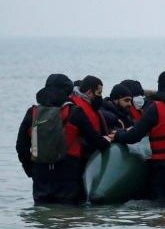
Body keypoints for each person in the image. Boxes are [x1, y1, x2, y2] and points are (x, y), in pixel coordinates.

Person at [16, 74, 111, 204]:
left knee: (42, 215)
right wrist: (108, 140)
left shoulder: (32, 113)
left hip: (41, 172)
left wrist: (31, 171)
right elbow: (95, 141)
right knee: (67, 215)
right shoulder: (74, 112)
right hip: (68, 172)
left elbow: (21, 146)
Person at [113, 71, 165, 200]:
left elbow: (134, 136)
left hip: (161, 167)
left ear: (160, 85)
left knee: (161, 207)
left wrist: (118, 135)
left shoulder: (155, 108)